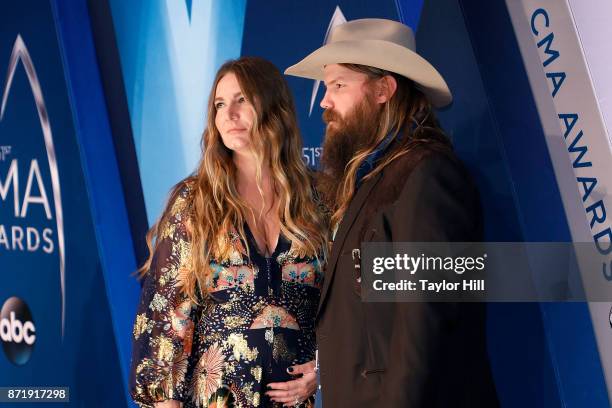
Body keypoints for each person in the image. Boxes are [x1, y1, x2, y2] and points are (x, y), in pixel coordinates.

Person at [285, 19, 498, 407]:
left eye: (338, 85)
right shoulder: (377, 178)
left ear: (384, 89)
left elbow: (423, 327)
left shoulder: (427, 174)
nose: (323, 102)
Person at [130, 57, 328, 408]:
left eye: (241, 100)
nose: (228, 115)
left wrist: (324, 366)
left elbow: (346, 303)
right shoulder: (195, 201)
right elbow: (166, 319)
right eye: (220, 104)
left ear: (272, 106)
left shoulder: (317, 200)